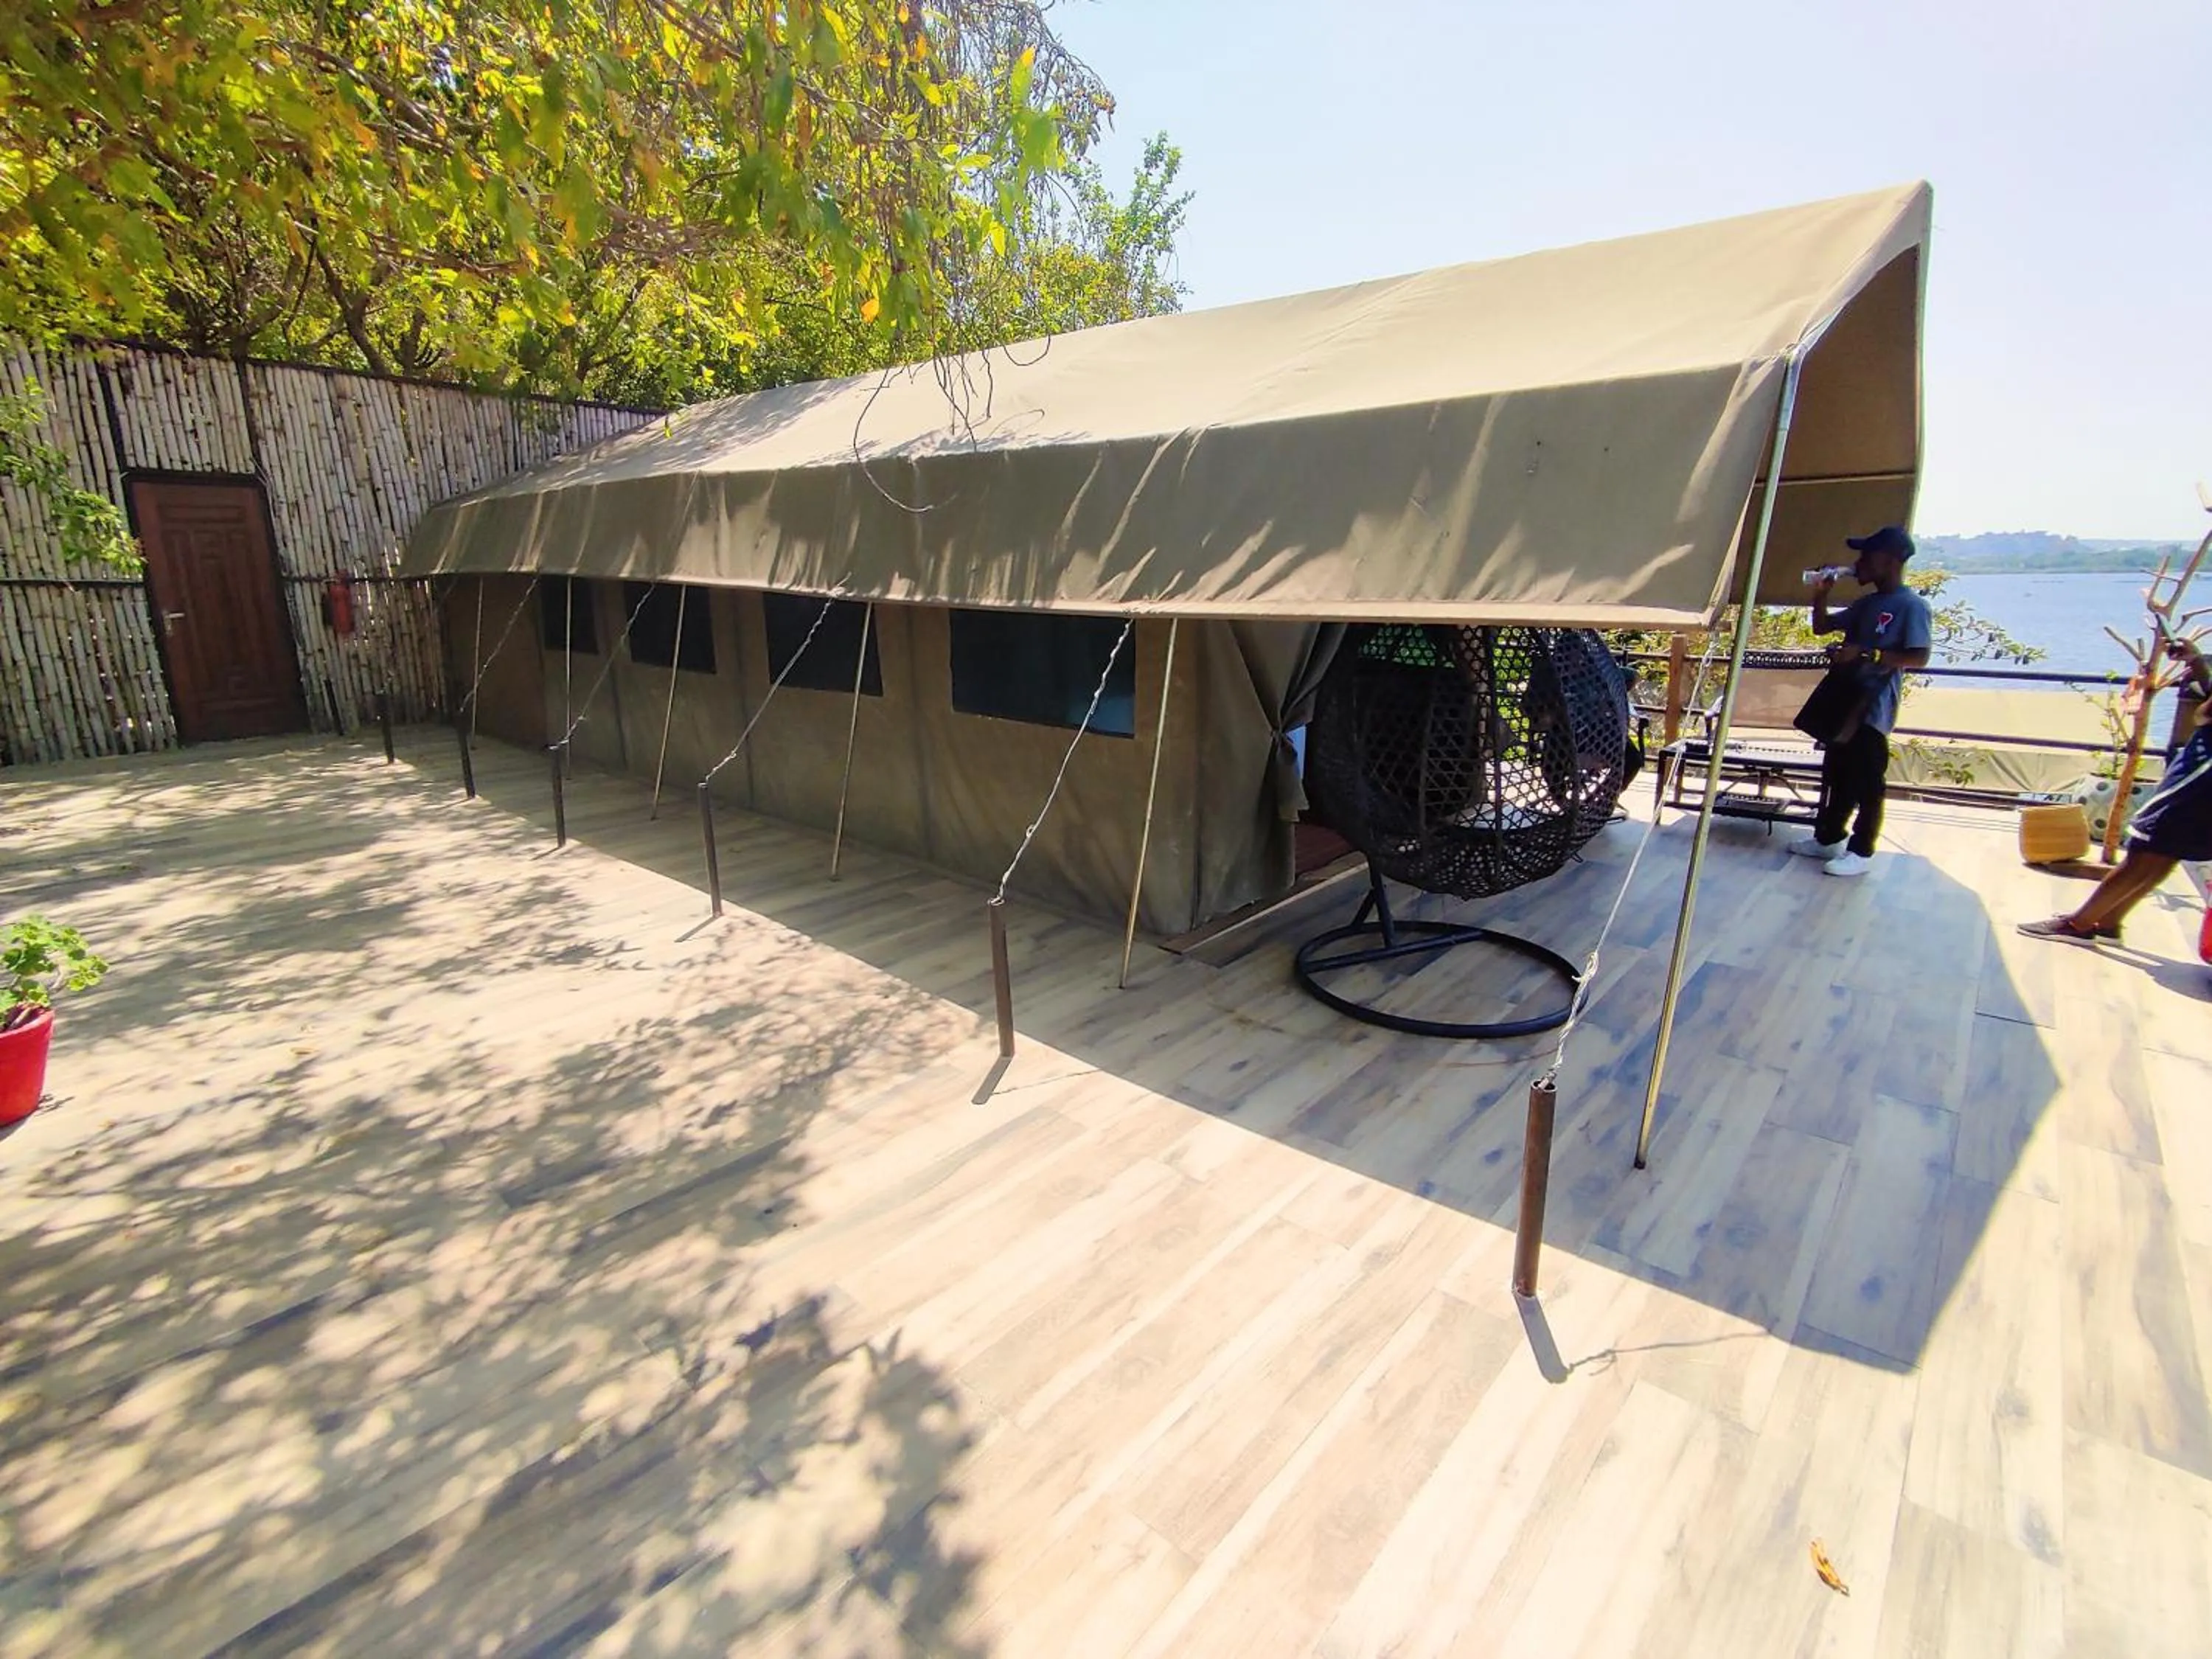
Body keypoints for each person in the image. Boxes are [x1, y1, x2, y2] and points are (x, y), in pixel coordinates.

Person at [2019, 636, 2212, 945]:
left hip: (2201, 777)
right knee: (2166, 852)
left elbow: (2204, 715)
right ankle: (2109, 922)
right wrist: (2197, 662)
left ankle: (2079, 924)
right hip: (2202, 775)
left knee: (2148, 846)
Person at [1789, 525, 1934, 876]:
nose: (1859, 563)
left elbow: (1919, 657)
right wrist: (1820, 596)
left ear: (1889, 560)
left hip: (1873, 706)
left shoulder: (1912, 606)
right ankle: (1828, 838)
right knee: (1836, 773)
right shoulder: (1867, 604)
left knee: (1868, 781)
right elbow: (1821, 627)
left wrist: (1867, 652)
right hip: (1845, 700)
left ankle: (1862, 851)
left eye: (1866, 556)